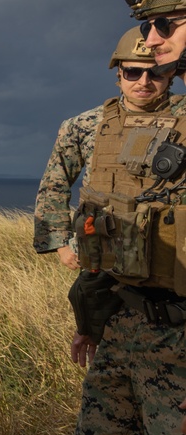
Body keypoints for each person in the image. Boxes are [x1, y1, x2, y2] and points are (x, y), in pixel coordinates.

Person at [58, 0, 186, 435]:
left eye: (164, 24)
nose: (151, 43)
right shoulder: (114, 132)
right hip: (126, 329)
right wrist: (90, 315)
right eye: (144, 28)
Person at [34, 27, 176, 270]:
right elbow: (54, 186)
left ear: (171, 75)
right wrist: (61, 244)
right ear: (119, 75)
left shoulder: (183, 120)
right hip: (102, 256)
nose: (144, 81)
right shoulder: (83, 125)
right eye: (133, 72)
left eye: (155, 72)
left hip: (171, 257)